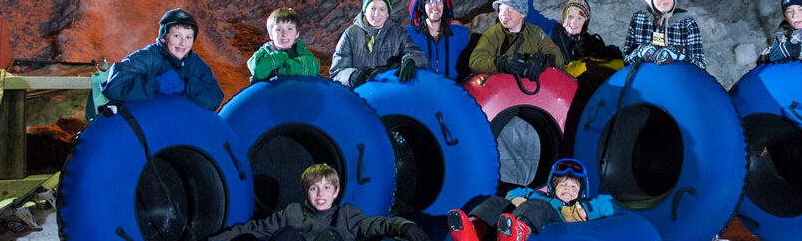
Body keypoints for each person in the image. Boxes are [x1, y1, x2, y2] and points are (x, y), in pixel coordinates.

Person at [209, 163, 428, 241]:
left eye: (326, 188)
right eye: (314, 188)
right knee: (287, 234)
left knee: (329, 236)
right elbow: (253, 228)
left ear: (336, 192)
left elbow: (379, 223)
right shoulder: (293, 213)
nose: (320, 194)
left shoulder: (346, 215)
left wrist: (405, 226)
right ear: (306, 192)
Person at [447, 158, 615, 241]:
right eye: (562, 185)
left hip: (551, 220)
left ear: (581, 191)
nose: (567, 189)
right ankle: (475, 228)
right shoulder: (539, 196)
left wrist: (584, 211)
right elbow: (516, 192)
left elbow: (608, 202)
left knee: (539, 206)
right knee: (497, 201)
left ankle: (517, 233)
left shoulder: (580, 204)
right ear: (552, 187)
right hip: (523, 212)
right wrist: (517, 199)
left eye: (573, 187)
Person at [101, 8, 224, 110]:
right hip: (146, 122)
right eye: (177, 36)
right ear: (163, 38)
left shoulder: (193, 62)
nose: (183, 43)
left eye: (188, 37)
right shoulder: (149, 57)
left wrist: (186, 85)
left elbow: (215, 97)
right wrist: (157, 83)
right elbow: (114, 88)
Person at [331, 0, 427, 87]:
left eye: (382, 9)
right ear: (364, 10)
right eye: (372, 8)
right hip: (359, 93)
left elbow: (418, 55)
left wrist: (411, 60)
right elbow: (337, 72)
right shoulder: (350, 35)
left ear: (387, 13)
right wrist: (352, 76)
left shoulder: (397, 33)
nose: (376, 14)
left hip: (390, 90)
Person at [468, 0, 565, 80]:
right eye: (501, 9)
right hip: (504, 86)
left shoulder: (535, 32)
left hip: (530, 88)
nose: (503, 14)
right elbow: (475, 62)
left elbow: (557, 56)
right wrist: (501, 63)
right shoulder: (493, 34)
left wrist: (541, 60)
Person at [622, 0, 706, 70]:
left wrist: (679, 54)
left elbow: (700, 66)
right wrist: (640, 52)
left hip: (675, 77)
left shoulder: (687, 24)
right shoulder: (639, 20)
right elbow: (626, 61)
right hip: (645, 77)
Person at [405, 0, 473, 80]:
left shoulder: (463, 34)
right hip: (420, 88)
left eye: (439, 0)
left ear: (444, 5)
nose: (435, 6)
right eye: (429, 1)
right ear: (422, 6)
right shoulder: (408, 35)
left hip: (454, 88)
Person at [248, 8, 321, 82]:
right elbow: (257, 69)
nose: (284, 34)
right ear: (271, 34)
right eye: (279, 30)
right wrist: (282, 56)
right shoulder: (264, 51)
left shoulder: (300, 50)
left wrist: (279, 71)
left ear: (297, 33)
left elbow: (313, 66)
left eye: (289, 29)